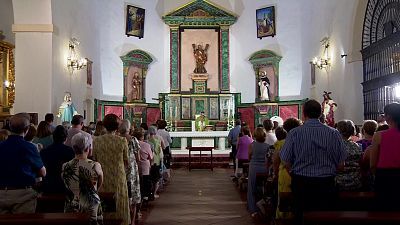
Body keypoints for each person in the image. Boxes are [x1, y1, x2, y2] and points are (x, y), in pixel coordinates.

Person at [280, 99, 346, 225]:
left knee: (301, 216)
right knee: (325, 217)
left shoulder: (294, 133)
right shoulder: (333, 133)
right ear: (321, 113)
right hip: (326, 183)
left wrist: (293, 172)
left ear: (304, 114)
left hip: (301, 183)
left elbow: (285, 159)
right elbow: (341, 163)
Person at [0, 113, 46, 214]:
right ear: (27, 129)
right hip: (23, 194)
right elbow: (43, 172)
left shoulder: (1, 146)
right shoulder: (29, 147)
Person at [93, 114, 130, 225]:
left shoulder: (97, 141)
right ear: (117, 127)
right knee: (119, 200)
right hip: (118, 176)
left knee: (104, 201)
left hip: (102, 177)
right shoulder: (122, 141)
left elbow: (95, 159)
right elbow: (126, 161)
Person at [62, 133, 103, 224]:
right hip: (91, 205)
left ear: (73, 148)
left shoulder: (65, 166)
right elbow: (100, 182)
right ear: (88, 148)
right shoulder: (95, 165)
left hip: (72, 204)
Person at [370, 103, 400, 210]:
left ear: (388, 117)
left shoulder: (379, 135)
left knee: (384, 210)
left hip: (384, 177)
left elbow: (372, 164)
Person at [273, 118, 301, 219]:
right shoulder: (302, 140)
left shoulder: (283, 142)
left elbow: (276, 160)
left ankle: (283, 218)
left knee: (284, 201)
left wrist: (275, 173)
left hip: (285, 174)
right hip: (300, 174)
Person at [41, 125, 74, 194]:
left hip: (48, 186)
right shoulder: (70, 151)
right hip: (66, 186)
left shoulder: (44, 151)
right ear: (66, 138)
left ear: (53, 137)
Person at [119, 119, 141, 225]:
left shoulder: (117, 139)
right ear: (129, 128)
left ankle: (123, 219)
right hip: (132, 170)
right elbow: (138, 158)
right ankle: (132, 221)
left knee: (125, 195)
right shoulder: (133, 139)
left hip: (121, 169)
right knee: (133, 196)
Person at [247, 127, 269, 217]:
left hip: (254, 168)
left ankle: (252, 209)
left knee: (251, 188)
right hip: (264, 168)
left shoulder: (251, 145)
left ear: (255, 135)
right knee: (263, 187)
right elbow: (268, 158)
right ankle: (262, 204)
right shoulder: (267, 146)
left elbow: (249, 156)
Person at [335, 120, 362, 191]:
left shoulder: (335, 146)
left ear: (338, 130)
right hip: (355, 182)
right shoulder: (358, 146)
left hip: (338, 182)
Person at [133, 128, 153, 202]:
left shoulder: (131, 143)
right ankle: (144, 199)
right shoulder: (146, 145)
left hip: (135, 168)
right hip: (144, 168)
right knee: (144, 184)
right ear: (142, 137)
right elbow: (150, 157)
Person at [148, 126, 165, 199]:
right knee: (156, 178)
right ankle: (154, 193)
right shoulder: (158, 139)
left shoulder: (147, 139)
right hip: (156, 160)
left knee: (150, 177)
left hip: (149, 160)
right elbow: (160, 149)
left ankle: (149, 192)